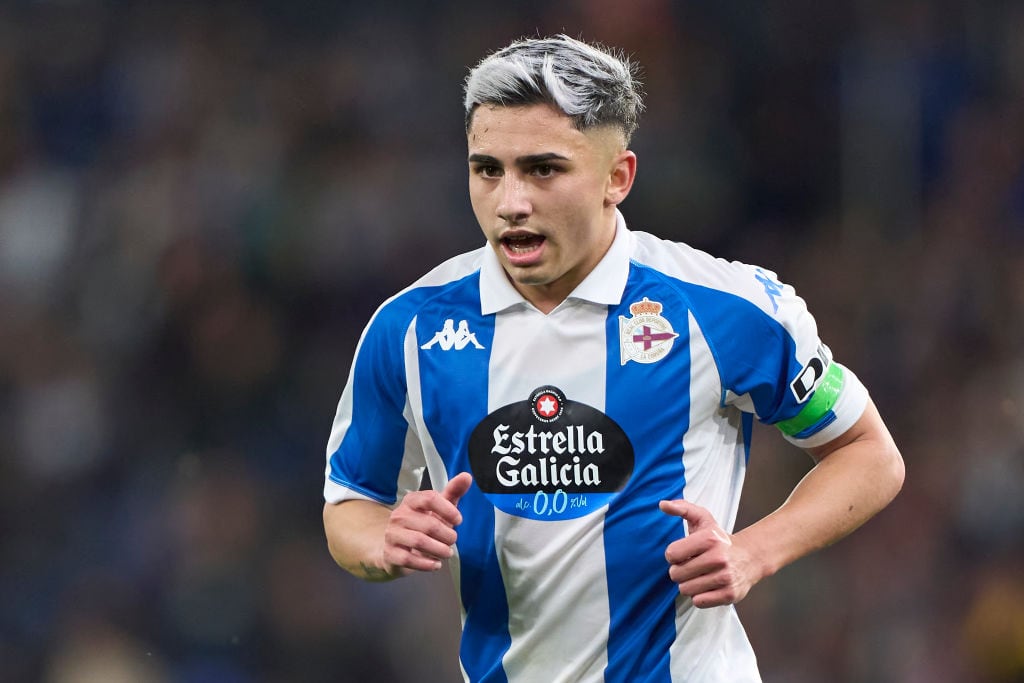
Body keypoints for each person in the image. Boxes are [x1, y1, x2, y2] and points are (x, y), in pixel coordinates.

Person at [322, 34, 904, 683]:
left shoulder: (724, 308)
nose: (511, 200)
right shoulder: (409, 327)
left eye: (543, 169)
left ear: (616, 177)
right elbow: (352, 502)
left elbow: (868, 453)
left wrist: (752, 552)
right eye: (488, 168)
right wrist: (382, 542)